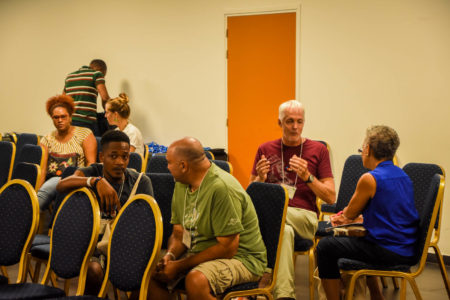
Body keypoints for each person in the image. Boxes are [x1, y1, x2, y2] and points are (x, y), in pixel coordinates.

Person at [148, 137, 267, 300]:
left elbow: (228, 248)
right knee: (154, 275)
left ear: (183, 166)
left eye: (169, 163)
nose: (167, 168)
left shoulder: (221, 188)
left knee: (196, 281)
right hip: (201, 251)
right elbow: (178, 233)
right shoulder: (181, 183)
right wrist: (170, 257)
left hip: (243, 258)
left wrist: (179, 266)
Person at [316, 125, 419, 300]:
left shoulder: (369, 179)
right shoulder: (403, 175)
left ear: (367, 149)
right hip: (408, 248)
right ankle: (376, 295)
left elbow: (348, 214)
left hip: (388, 251)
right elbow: (392, 212)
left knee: (324, 247)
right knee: (363, 238)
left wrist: (346, 216)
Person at [250, 99, 336, 300]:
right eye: (289, 121)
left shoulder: (318, 150)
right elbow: (250, 194)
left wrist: (308, 177)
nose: (295, 127)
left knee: (273, 217)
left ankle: (263, 279)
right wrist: (260, 180)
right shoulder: (265, 149)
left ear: (304, 122)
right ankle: (285, 296)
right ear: (279, 123)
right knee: (284, 232)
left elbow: (331, 196)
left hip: (305, 217)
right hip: (280, 223)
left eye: (299, 121)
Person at [56, 130, 153, 296]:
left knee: (144, 273)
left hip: (127, 246)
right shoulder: (93, 171)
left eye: (125, 156)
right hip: (95, 246)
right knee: (93, 270)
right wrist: (94, 181)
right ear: (102, 157)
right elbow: (62, 185)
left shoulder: (140, 181)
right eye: (113, 156)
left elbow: (149, 224)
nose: (120, 162)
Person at [38, 94, 97, 213]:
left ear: (70, 117)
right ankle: (30, 214)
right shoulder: (47, 139)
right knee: (48, 188)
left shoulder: (85, 134)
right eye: (56, 117)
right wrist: (37, 191)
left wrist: (85, 183)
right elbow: (42, 169)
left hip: (77, 179)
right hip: (53, 181)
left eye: (63, 116)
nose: (60, 120)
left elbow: (91, 164)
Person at [63, 59, 110, 136]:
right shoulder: (97, 74)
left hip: (70, 122)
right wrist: (109, 111)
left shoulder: (69, 77)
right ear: (102, 70)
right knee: (96, 145)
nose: (103, 78)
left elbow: (63, 100)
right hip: (87, 122)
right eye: (104, 75)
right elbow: (105, 98)